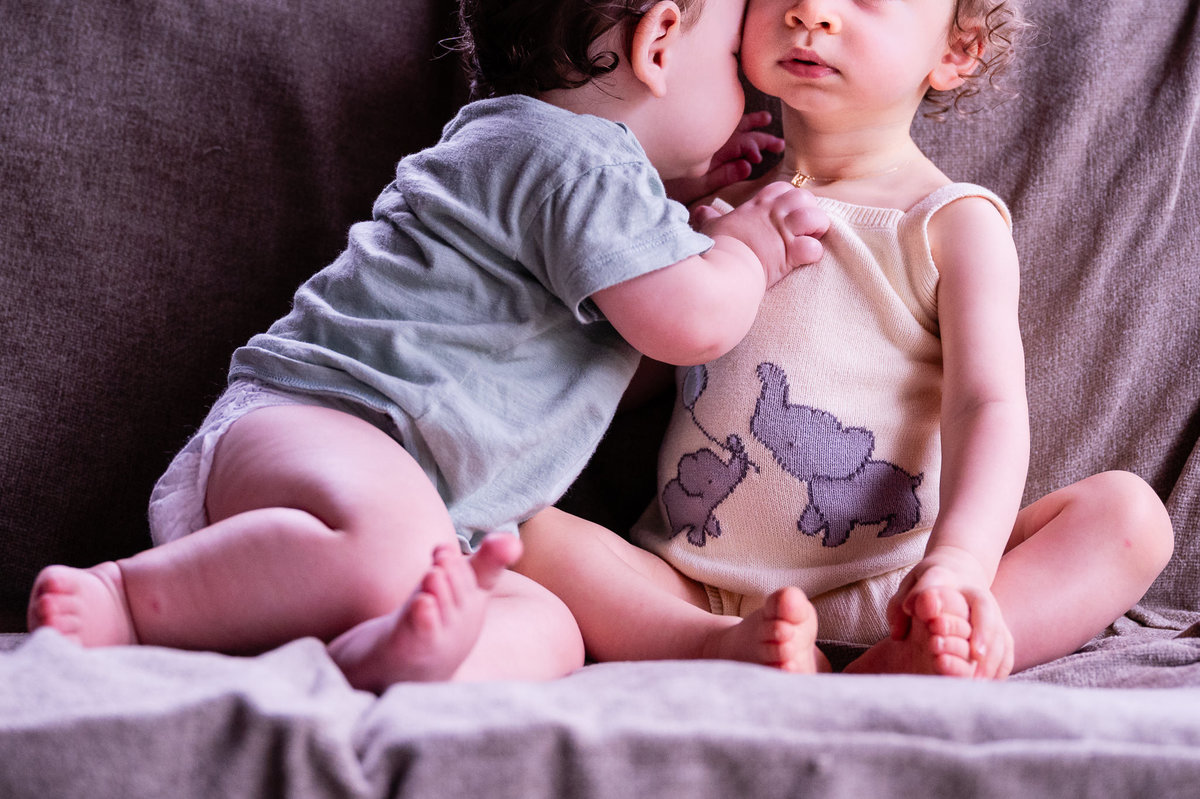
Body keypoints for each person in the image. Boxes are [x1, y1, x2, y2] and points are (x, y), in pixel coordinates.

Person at [26, 0, 830, 693]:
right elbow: (692, 324)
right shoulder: (576, 157)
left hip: (415, 517)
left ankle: (397, 660)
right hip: (323, 428)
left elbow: (611, 361)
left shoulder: (531, 151)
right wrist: (748, 248)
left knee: (548, 628)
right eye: (730, 58)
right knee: (391, 545)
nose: (741, 88)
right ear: (659, 44)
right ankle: (128, 599)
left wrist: (671, 202)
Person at [515, 0, 1175, 679]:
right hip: (696, 584)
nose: (811, 12)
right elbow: (620, 378)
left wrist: (961, 563)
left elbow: (987, 404)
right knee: (516, 522)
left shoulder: (948, 222)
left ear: (955, 51)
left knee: (1130, 517)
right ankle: (710, 644)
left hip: (901, 582)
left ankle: (919, 654)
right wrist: (681, 225)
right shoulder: (719, 215)